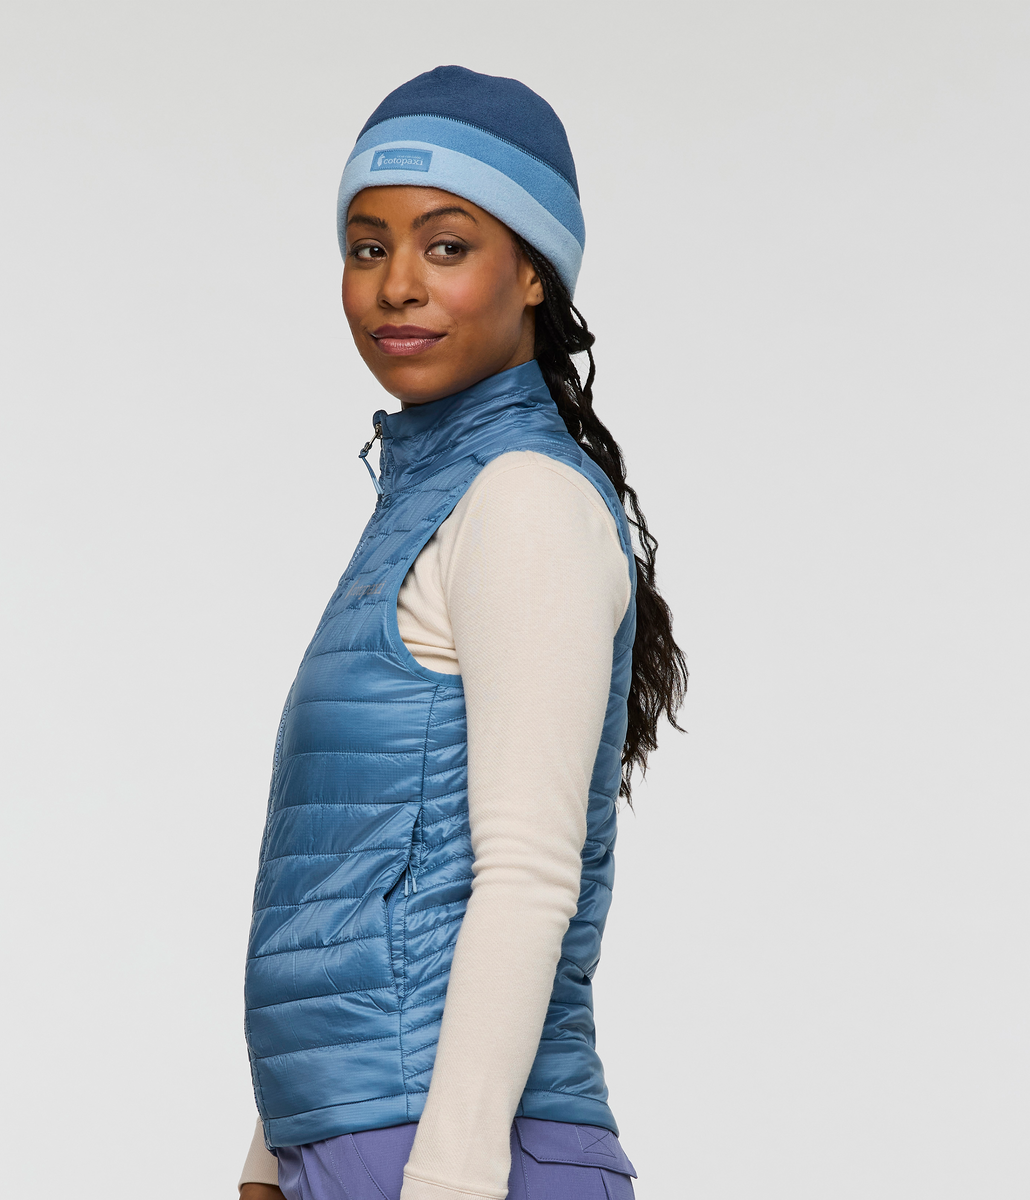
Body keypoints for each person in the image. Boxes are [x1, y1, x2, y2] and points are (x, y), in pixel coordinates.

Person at [238, 66, 685, 1200]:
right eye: (366, 247)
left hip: (459, 1156)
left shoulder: (523, 500)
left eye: (446, 246)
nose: (397, 286)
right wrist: (266, 1158)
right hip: (355, 1139)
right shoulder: (424, 506)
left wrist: (446, 1182)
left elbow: (528, 874)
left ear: (533, 272)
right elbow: (349, 877)